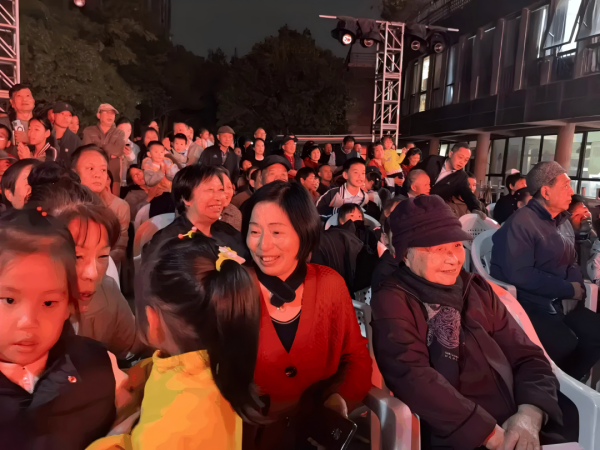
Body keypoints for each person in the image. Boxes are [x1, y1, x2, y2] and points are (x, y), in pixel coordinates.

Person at [371, 195, 569, 449]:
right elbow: (411, 375)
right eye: (437, 249)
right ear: (405, 254)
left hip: (518, 424)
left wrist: (529, 415)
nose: (453, 259)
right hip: (460, 436)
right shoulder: (393, 299)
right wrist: (490, 435)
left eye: (456, 245)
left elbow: (528, 356)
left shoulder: (476, 289)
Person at [89, 236, 263, 450]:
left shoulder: (172, 427)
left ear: (153, 320)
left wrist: (120, 421)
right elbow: (159, 372)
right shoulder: (220, 363)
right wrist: (131, 379)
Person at [241, 181, 372, 448]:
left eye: (277, 232)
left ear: (304, 233)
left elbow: (356, 356)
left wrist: (340, 398)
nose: (263, 245)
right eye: (254, 231)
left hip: (314, 435)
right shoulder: (231, 288)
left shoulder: (328, 284)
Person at [0, 209, 117, 449]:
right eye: (9, 300)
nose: (28, 321)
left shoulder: (95, 366)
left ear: (69, 306)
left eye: (48, 303)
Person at [491, 161, 600, 380]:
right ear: (546, 192)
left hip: (560, 300)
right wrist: (567, 289)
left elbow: (572, 261)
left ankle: (568, 384)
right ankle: (551, 386)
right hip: (528, 304)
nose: (571, 192)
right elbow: (521, 274)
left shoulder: (563, 222)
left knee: (596, 333)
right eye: (565, 186)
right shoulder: (521, 223)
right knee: (564, 343)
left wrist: (575, 289)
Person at [28, 169, 138, 359]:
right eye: (77, 256)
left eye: (102, 256)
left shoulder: (106, 294)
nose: (92, 273)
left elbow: (132, 350)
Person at [143, 165, 247, 261]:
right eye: (210, 190)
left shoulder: (230, 232)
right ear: (186, 198)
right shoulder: (165, 243)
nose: (220, 197)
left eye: (220, 190)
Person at [71, 145, 129, 264]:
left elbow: (119, 249)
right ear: (74, 173)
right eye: (90, 168)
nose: (98, 175)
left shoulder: (119, 207)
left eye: (103, 170)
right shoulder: (65, 206)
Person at [418, 142, 485, 215]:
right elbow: (413, 174)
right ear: (450, 154)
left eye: (466, 160)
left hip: (432, 209)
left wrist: (476, 209)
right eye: (460, 157)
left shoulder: (461, 177)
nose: (462, 162)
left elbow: (468, 194)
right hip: (414, 200)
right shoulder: (432, 160)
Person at [82, 104, 126, 196]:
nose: (110, 115)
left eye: (112, 113)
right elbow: (88, 150)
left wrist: (98, 147)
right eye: (106, 112)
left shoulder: (120, 133)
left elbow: (119, 150)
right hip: (93, 173)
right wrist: (110, 152)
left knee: (114, 201)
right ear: (98, 115)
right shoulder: (89, 131)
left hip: (114, 175)